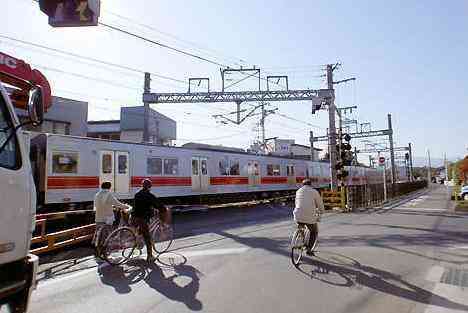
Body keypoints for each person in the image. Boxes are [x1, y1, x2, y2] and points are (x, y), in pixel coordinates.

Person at [133, 179, 166, 263]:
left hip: (135, 217)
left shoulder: (137, 194)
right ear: (149, 187)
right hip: (142, 218)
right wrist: (163, 209)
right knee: (147, 237)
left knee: (141, 232)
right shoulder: (149, 195)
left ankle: (137, 243)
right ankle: (150, 256)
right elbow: (157, 204)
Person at [92, 181, 131, 251]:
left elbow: (97, 206)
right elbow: (118, 204)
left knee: (99, 232)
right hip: (107, 218)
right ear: (109, 187)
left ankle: (97, 247)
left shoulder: (97, 194)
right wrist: (126, 207)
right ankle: (106, 248)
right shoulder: (108, 194)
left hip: (98, 217)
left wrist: (111, 206)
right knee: (108, 234)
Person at [293, 179, 324, 256]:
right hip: (309, 215)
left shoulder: (298, 191)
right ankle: (309, 249)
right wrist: (321, 212)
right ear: (310, 185)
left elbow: (296, 203)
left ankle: (301, 239)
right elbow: (320, 204)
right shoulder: (314, 192)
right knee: (314, 231)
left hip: (297, 214)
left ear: (302, 185)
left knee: (301, 226)